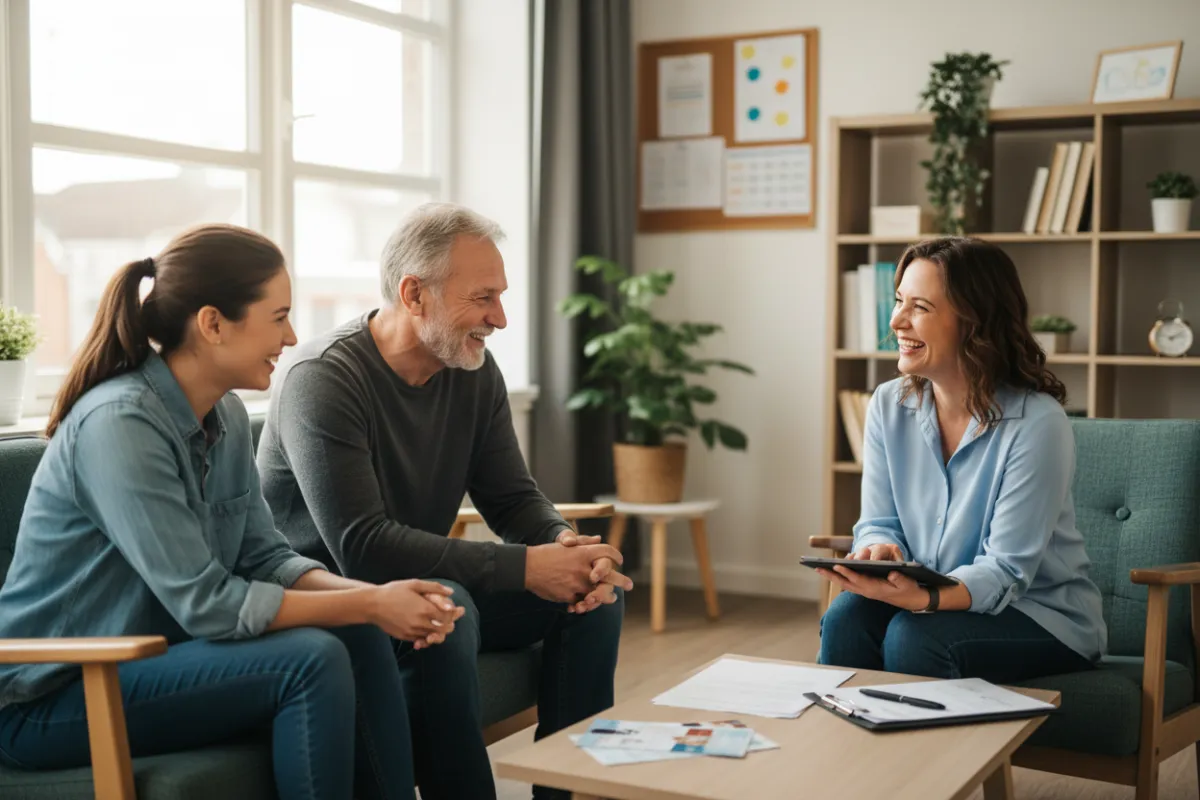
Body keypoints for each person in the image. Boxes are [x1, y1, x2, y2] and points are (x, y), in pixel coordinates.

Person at [0, 224, 465, 800]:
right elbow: (207, 604)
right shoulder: (119, 424)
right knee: (312, 658)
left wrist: (369, 603)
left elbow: (264, 556)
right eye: (278, 317)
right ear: (213, 324)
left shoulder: (222, 415)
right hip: (55, 696)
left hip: (157, 665)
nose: (293, 336)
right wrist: (369, 599)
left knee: (359, 635)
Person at [256, 202, 631, 800]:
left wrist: (562, 543)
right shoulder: (322, 377)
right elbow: (362, 547)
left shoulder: (473, 371)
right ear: (414, 294)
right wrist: (529, 568)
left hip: (427, 583)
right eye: (483, 297)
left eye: (500, 297)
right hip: (340, 602)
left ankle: (564, 793)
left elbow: (512, 498)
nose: (500, 318)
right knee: (448, 608)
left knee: (594, 593)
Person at [815, 236, 1106, 683]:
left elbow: (1007, 570)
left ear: (974, 322)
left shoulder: (1037, 423)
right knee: (846, 619)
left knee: (914, 636)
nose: (896, 321)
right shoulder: (888, 406)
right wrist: (880, 548)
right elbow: (878, 520)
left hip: (1041, 616)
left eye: (920, 308)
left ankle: (932, 756)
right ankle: (849, 750)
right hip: (928, 598)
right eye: (898, 302)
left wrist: (923, 601)